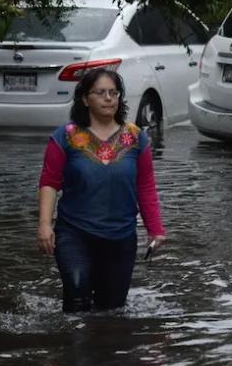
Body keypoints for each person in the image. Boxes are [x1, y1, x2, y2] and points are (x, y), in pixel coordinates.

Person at [37, 68, 166, 312]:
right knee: (76, 299)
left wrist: (155, 229)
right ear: (85, 99)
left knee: (112, 310)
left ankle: (104, 347)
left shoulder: (136, 138)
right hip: (74, 234)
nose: (109, 98)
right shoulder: (65, 137)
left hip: (120, 237)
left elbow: (145, 186)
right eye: (101, 93)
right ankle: (75, 348)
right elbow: (50, 182)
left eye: (113, 93)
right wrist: (44, 224)